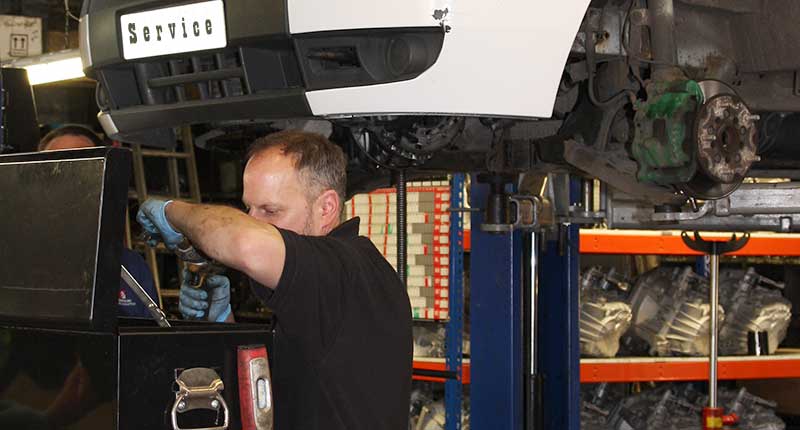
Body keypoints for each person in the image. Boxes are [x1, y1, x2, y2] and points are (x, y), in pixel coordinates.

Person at [137, 130, 412, 430]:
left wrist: (173, 211)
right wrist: (221, 325)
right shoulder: (320, 288)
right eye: (249, 209)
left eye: (270, 210)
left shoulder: (341, 268)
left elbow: (246, 244)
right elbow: (273, 397)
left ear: (327, 208)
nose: (255, 221)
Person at [40, 125, 160, 318]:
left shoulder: (131, 267)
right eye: (56, 168)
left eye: (82, 166)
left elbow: (148, 343)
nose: (69, 179)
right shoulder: (11, 259)